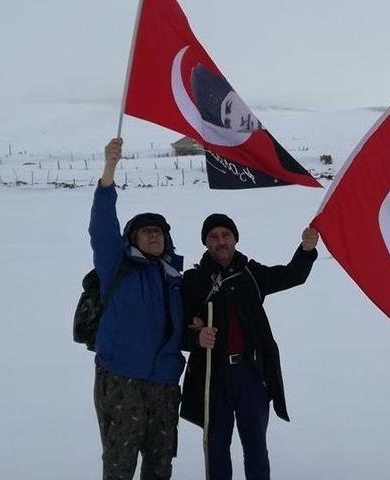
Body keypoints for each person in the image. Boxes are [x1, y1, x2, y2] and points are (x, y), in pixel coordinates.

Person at [180, 213, 319, 480]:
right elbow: (179, 326)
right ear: (206, 243)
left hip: (250, 373)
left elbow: (293, 275)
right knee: (217, 448)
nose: (220, 241)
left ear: (235, 238)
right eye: (213, 237)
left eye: (225, 235)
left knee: (255, 446)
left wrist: (306, 250)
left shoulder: (251, 274)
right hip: (213, 376)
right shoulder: (194, 280)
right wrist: (196, 337)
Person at [89, 137, 186, 480]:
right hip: (122, 381)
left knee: (160, 465)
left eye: (158, 231)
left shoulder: (175, 277)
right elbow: (102, 226)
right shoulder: (117, 265)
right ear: (132, 238)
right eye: (146, 231)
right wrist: (109, 171)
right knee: (120, 464)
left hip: (164, 385)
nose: (153, 236)